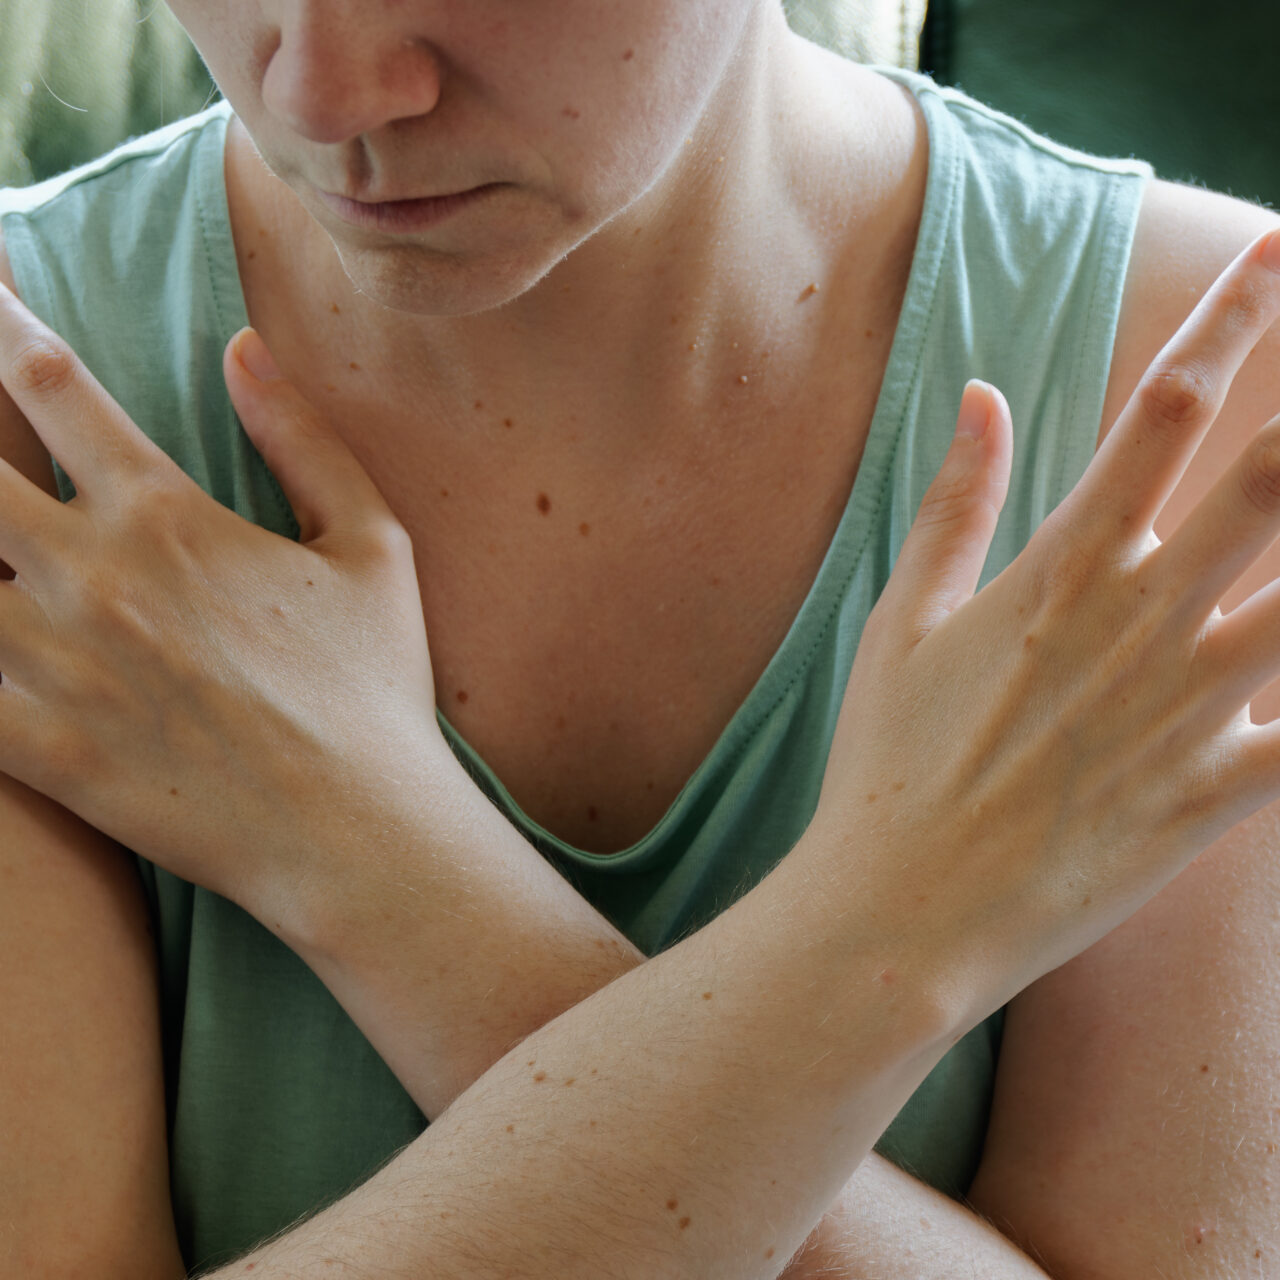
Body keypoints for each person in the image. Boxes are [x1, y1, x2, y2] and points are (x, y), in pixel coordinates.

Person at [1, 3, 1279, 1276]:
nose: (324, 94)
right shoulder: (28, 398)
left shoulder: (1208, 393)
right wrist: (896, 935)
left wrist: (353, 838)